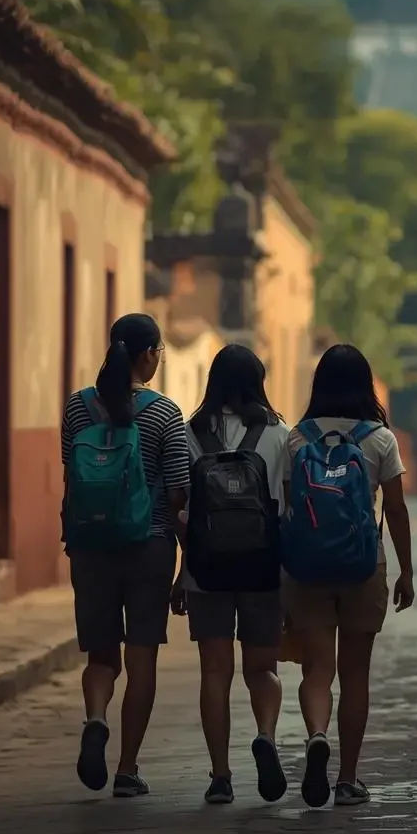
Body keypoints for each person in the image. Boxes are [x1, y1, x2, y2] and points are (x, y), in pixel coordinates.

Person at [61, 313, 189, 798]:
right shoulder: (164, 413)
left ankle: (96, 719)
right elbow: (179, 494)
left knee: (101, 654)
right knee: (142, 658)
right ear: (149, 355)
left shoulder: (78, 407)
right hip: (148, 546)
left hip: (91, 547)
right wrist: (187, 559)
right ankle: (128, 768)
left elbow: (72, 476)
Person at [282, 344, 414, 808]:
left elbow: (286, 509)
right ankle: (348, 779)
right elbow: (395, 509)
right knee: (356, 674)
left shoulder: (296, 438)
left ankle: (317, 734)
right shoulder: (379, 439)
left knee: (319, 667)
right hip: (363, 565)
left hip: (307, 567)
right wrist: (406, 571)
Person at [174, 344, 291, 805]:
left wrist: (185, 569)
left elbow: (180, 510)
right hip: (264, 568)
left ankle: (220, 774)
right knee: (262, 668)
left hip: (207, 572)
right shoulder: (279, 435)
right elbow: (286, 507)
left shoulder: (190, 433)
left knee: (215, 672)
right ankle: (265, 734)